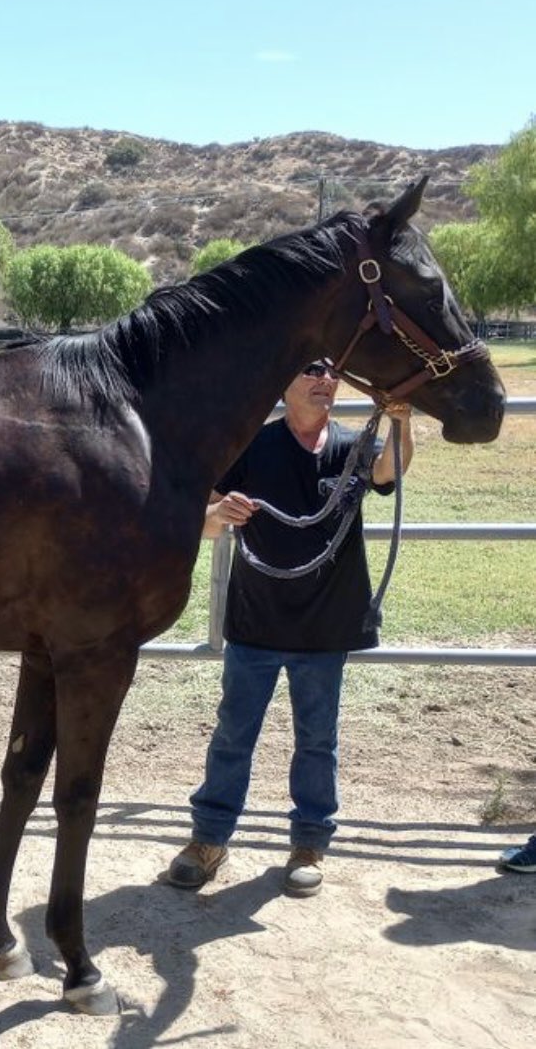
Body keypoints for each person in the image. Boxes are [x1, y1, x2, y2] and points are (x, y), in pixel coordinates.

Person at [167, 360, 414, 897]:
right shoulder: (252, 446)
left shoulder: (353, 446)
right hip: (257, 621)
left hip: (325, 625)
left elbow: (389, 473)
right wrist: (219, 514)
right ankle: (208, 839)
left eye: (332, 372)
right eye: (310, 371)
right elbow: (205, 521)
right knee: (233, 734)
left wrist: (400, 421)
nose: (324, 380)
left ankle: (308, 842)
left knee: (317, 739)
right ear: (284, 383)